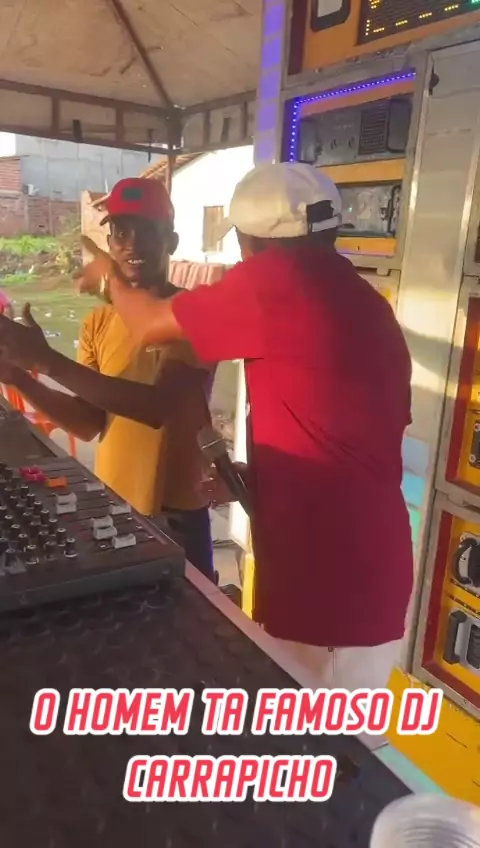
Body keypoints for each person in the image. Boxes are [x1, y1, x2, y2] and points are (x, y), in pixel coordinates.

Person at [0, 177, 214, 580]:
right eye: (120, 232)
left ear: (171, 241)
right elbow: (88, 423)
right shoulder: (98, 322)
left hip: (176, 517)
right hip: (113, 503)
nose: (131, 244)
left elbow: (157, 408)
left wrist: (48, 361)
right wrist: (19, 378)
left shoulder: (190, 313)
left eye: (146, 231)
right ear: (110, 242)